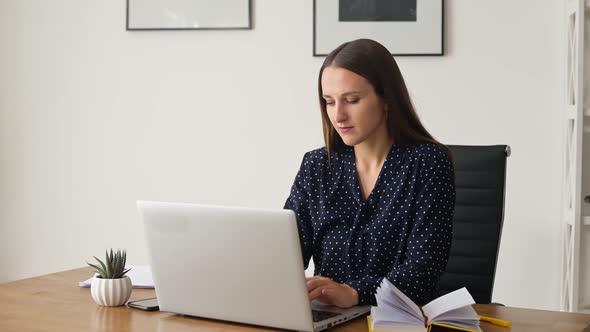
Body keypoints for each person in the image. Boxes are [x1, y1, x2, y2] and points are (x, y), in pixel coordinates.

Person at [283, 39, 455, 309]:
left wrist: (354, 292)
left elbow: (424, 269)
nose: (338, 115)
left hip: (397, 319)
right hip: (328, 317)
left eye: (351, 100)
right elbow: (285, 253)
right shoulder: (317, 166)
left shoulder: (428, 163)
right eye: (329, 102)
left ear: (386, 99)